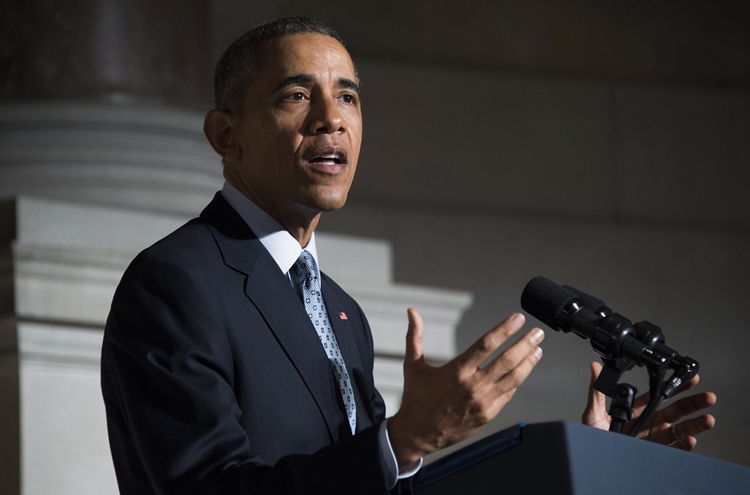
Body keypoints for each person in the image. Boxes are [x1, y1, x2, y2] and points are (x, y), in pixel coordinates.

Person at [100, 16, 716, 495]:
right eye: (296, 95)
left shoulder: (341, 312)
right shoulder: (177, 282)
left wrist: (598, 463)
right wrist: (403, 437)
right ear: (225, 136)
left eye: (348, 97)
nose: (331, 120)